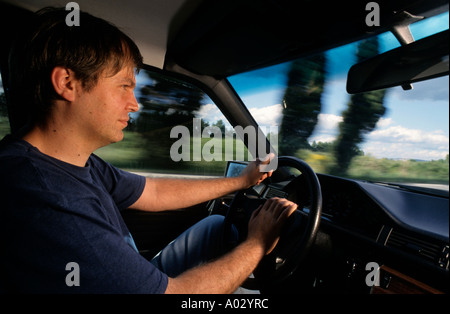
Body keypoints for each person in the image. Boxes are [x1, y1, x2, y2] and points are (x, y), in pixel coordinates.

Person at [0, 7, 297, 293]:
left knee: (216, 227)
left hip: (133, 273)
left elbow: (152, 191)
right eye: (124, 86)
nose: (135, 103)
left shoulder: (73, 161)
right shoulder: (46, 198)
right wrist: (258, 243)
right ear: (68, 83)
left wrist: (240, 182)